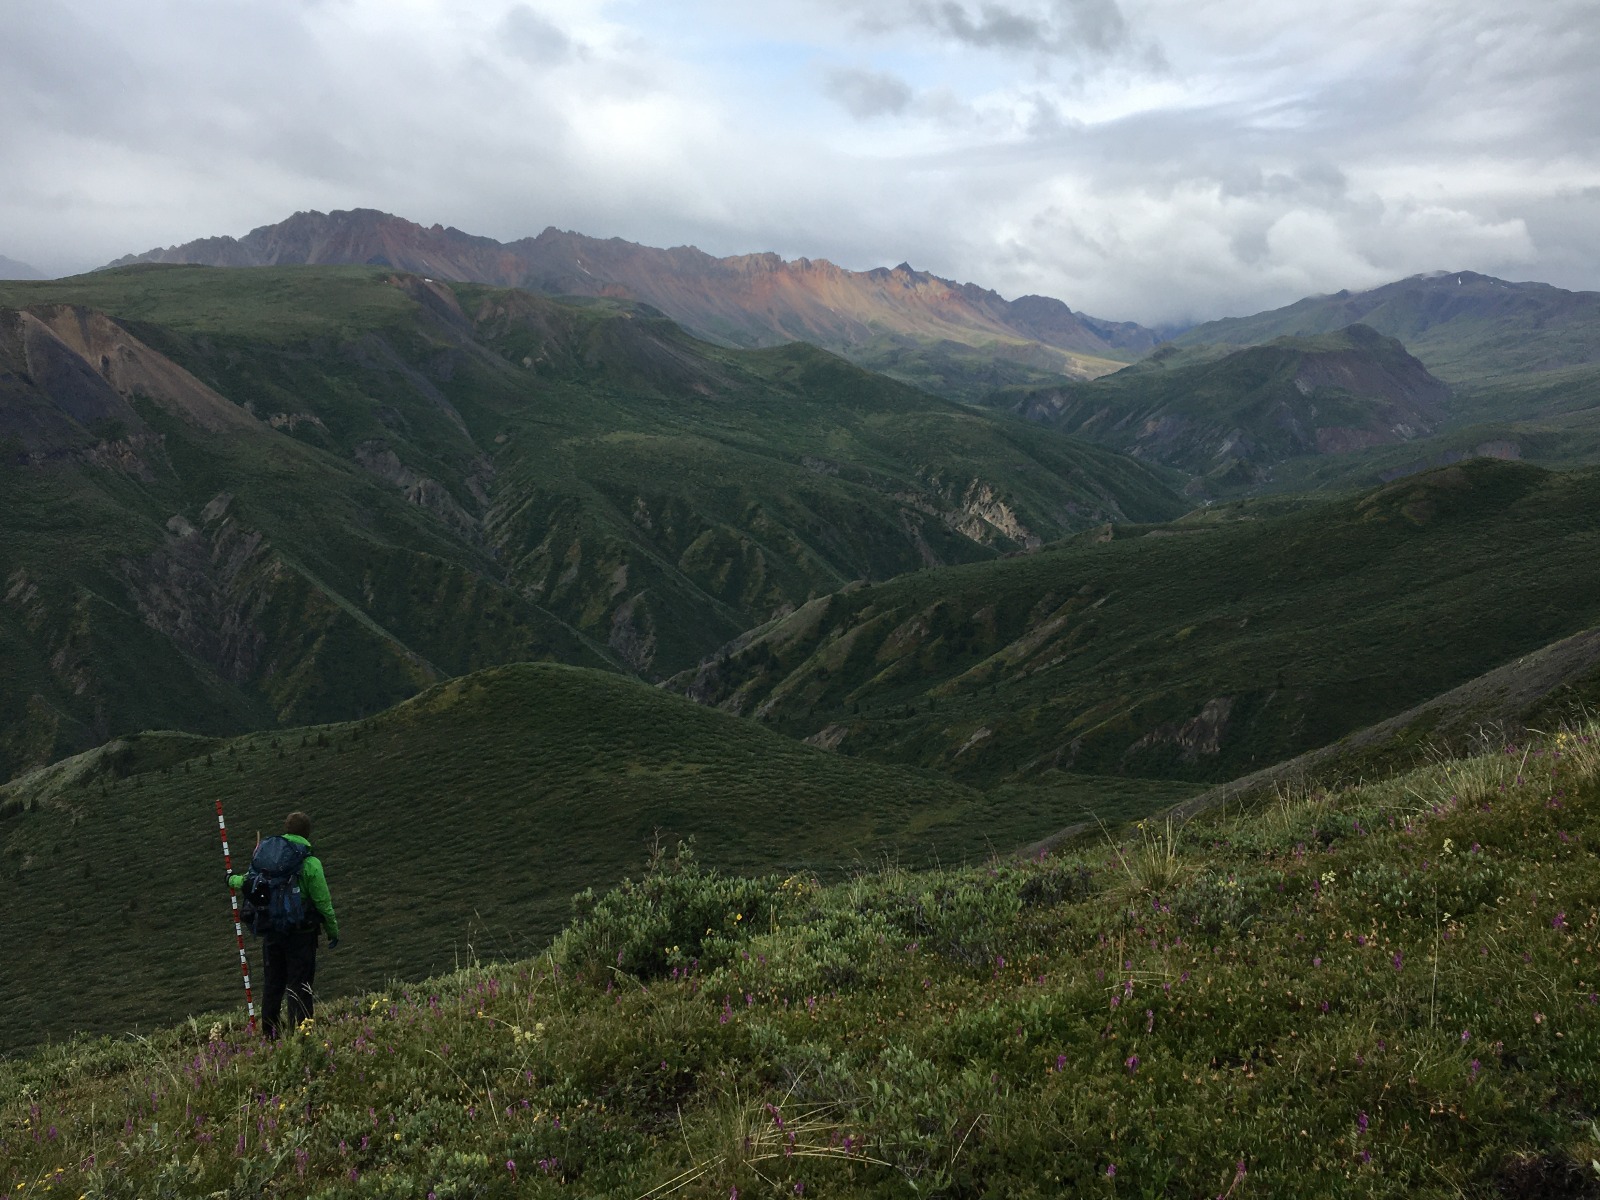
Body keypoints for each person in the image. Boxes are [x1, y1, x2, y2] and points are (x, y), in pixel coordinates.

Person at [229, 810, 340, 1038]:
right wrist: (332, 931)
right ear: (307, 834)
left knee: (273, 985)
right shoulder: (310, 863)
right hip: (301, 934)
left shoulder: (266, 857)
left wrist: (230, 879)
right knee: (300, 986)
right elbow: (323, 903)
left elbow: (247, 881)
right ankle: (301, 1036)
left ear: (286, 829)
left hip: (272, 933)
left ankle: (270, 1036)